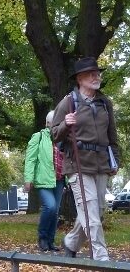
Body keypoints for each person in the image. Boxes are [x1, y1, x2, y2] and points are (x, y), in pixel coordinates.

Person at [51, 57, 118, 261]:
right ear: (80, 78)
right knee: (90, 213)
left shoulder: (105, 103)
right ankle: (102, 258)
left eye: (98, 73)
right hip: (78, 164)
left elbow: (112, 136)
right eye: (92, 73)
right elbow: (54, 134)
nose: (97, 76)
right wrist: (65, 124)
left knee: (95, 211)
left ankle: (71, 242)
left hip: (101, 163)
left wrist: (115, 161)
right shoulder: (69, 102)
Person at [24, 111, 64, 252]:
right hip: (43, 180)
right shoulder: (39, 137)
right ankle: (42, 237)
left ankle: (51, 241)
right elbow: (30, 159)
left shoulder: (63, 139)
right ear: (47, 123)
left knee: (56, 211)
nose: (57, 125)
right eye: (54, 122)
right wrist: (28, 179)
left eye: (59, 122)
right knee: (50, 207)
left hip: (59, 180)